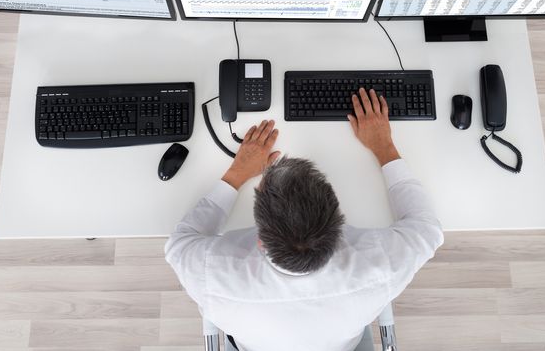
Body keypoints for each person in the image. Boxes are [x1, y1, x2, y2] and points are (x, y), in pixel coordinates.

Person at [165, 88, 444, 351]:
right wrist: (384, 146)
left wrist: (237, 174)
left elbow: (179, 242)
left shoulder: (212, 275)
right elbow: (427, 229)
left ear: (260, 241)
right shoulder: (379, 268)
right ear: (338, 224)